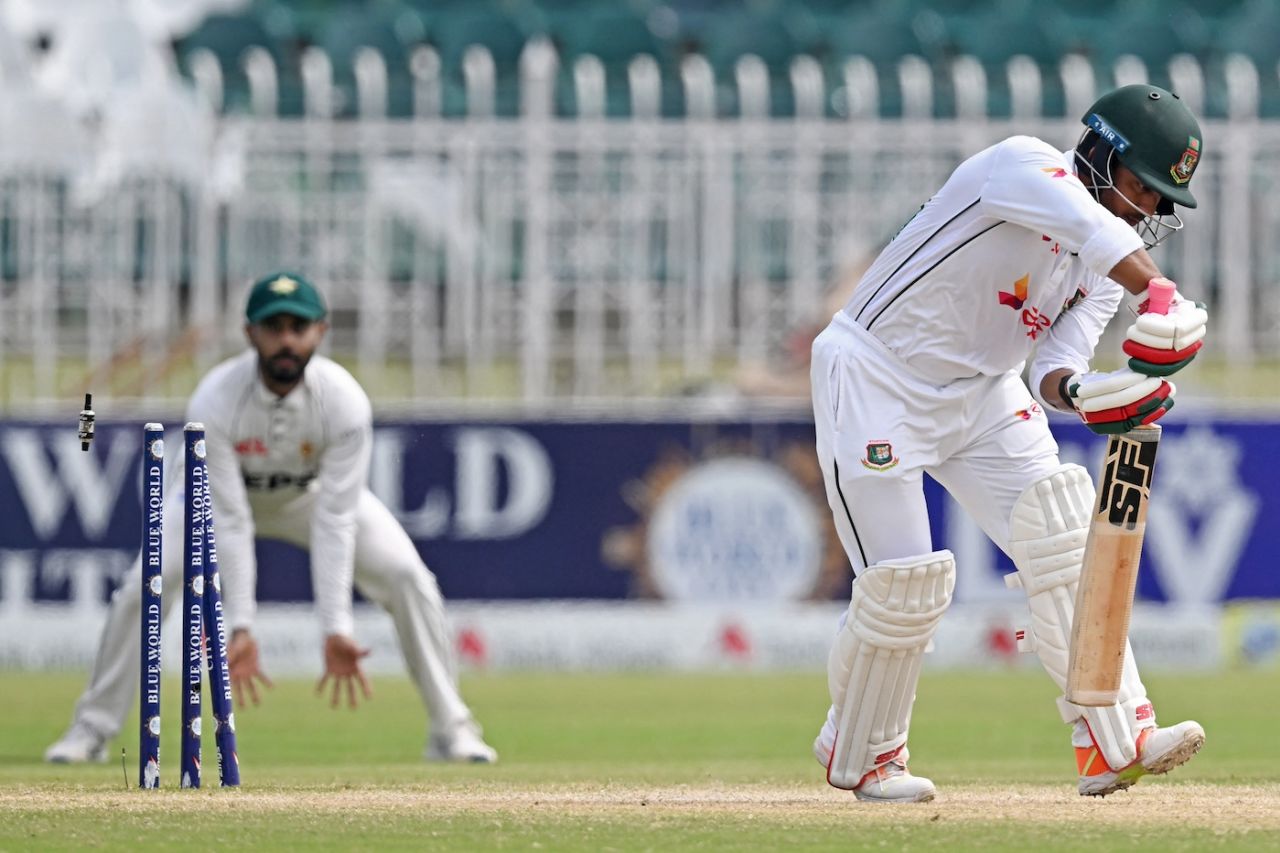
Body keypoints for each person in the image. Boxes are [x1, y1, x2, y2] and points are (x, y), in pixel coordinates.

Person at [809, 84, 1209, 803]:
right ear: (1099, 151)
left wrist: (1091, 396)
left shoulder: (1106, 268)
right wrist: (1162, 295)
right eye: (1141, 188)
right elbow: (1097, 234)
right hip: (876, 374)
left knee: (1063, 533)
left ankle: (1113, 739)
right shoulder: (1021, 165)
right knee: (904, 586)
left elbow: (1055, 369)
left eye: (1159, 201)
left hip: (986, 392)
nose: (1147, 209)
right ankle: (865, 750)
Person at [46, 272, 497, 764]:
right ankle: (91, 730)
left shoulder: (344, 401)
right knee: (143, 588)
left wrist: (336, 628)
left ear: (320, 332)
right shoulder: (215, 399)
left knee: (408, 576)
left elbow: (336, 521)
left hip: (309, 497)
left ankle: (452, 728)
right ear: (250, 334)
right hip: (206, 499)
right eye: (273, 326)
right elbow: (232, 522)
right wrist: (240, 626)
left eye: (297, 327)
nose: (286, 339)